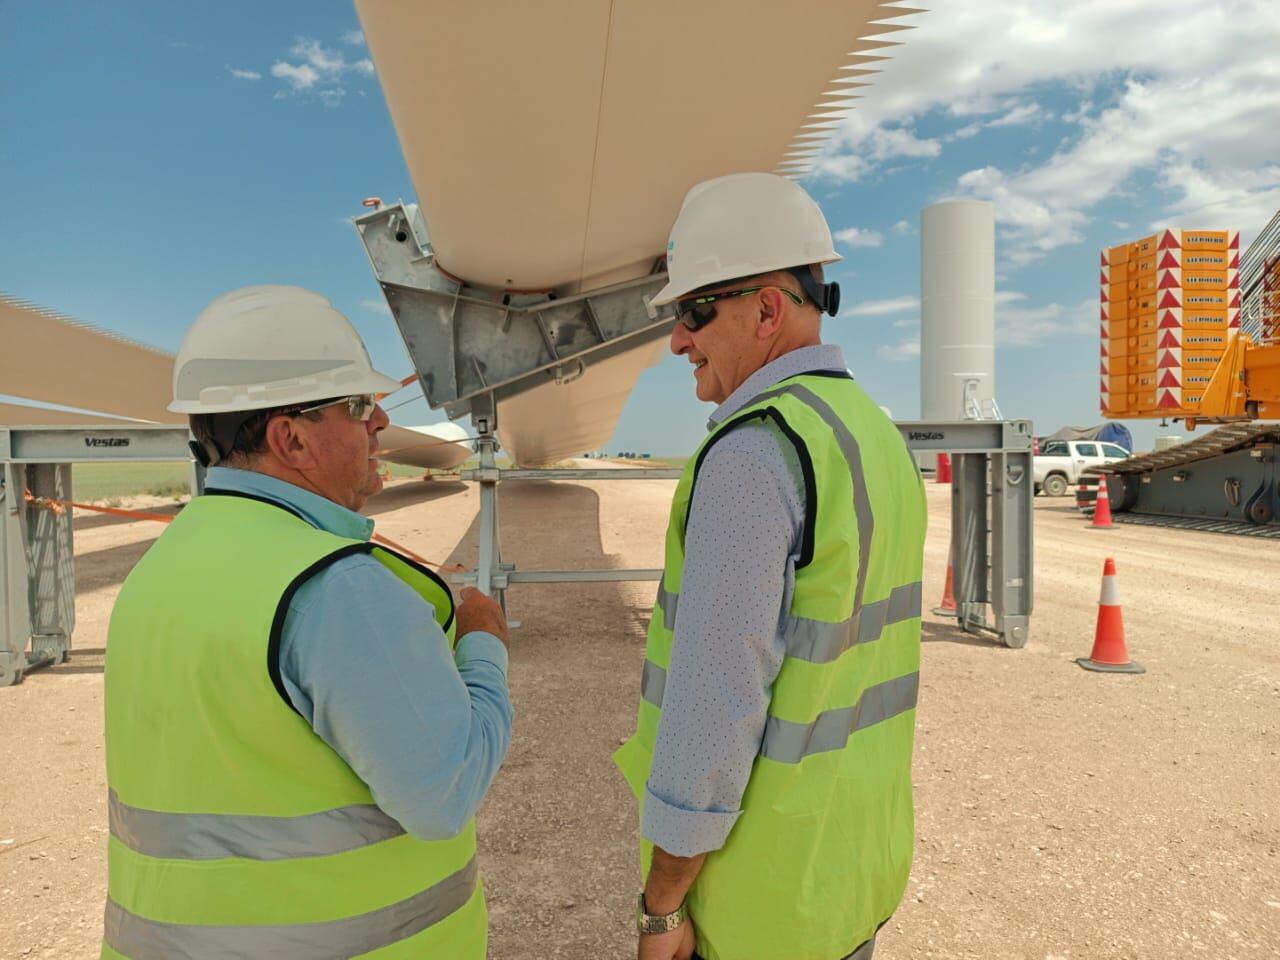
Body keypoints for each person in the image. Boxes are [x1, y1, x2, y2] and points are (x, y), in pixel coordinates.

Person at [101, 285, 512, 959]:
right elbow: (445, 795)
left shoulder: (161, 566)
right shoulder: (335, 589)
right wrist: (484, 645)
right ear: (290, 438)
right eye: (355, 405)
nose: (380, 420)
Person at [614, 173, 927, 960]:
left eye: (692, 312)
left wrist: (661, 905)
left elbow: (715, 707)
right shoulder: (873, 435)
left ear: (766, 309)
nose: (678, 340)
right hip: (848, 871)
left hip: (758, 906)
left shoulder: (754, 452)